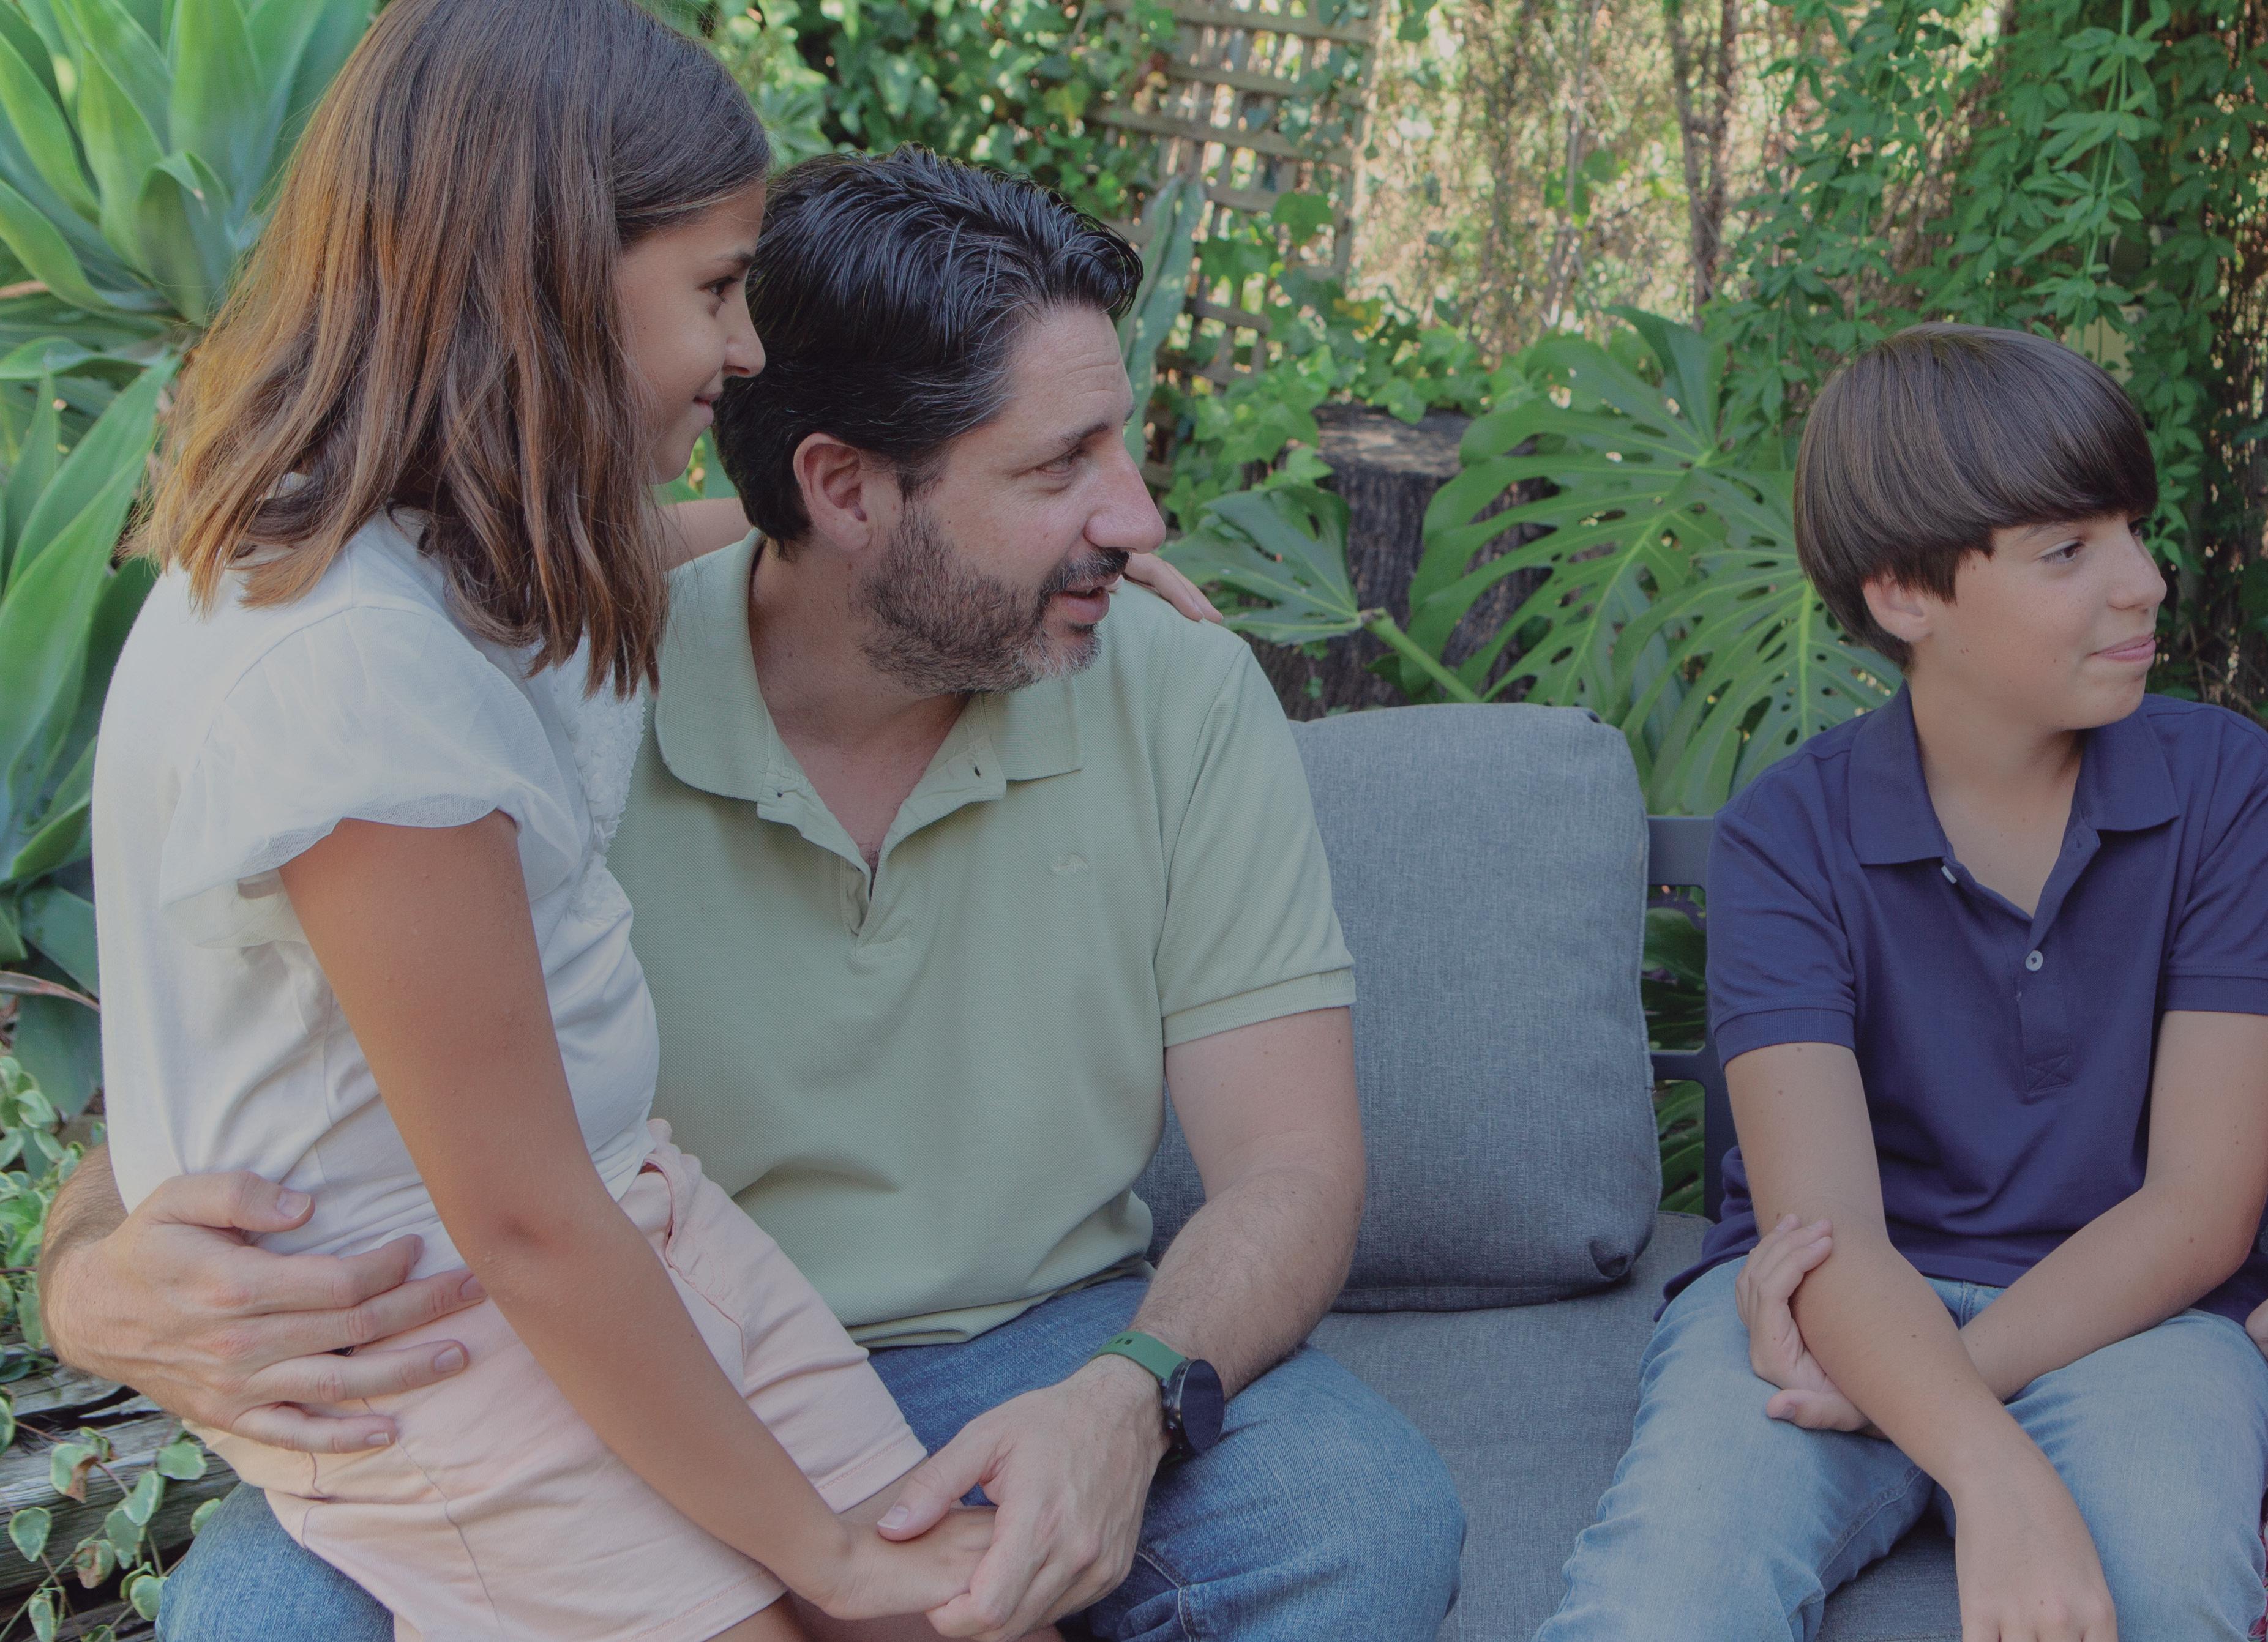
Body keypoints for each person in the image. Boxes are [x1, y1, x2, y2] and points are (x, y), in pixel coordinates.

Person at [46, 148, 1467, 1641]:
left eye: (1118, 448)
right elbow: (272, 1077)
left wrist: (1130, 1393)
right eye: (1058, 468)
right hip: (601, 1349)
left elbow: (1292, 1168)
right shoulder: (536, 682)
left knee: (1356, 1525)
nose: (1139, 522)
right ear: (841, 489)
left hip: (1032, 1342)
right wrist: (84, 1279)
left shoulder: (1172, 689)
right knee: (259, 1619)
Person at [1535, 324, 2268, 1641]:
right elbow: (1821, 1233)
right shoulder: (1787, 834)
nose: (2144, 583)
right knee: (1660, 1606)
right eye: (2066, 551)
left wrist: (1946, 1396)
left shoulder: (2222, 787)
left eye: (2132, 532)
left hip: (2137, 1317)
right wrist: (1989, 1468)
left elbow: (2199, 1209)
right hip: (1836, 1313)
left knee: (2173, 1592)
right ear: (1901, 595)